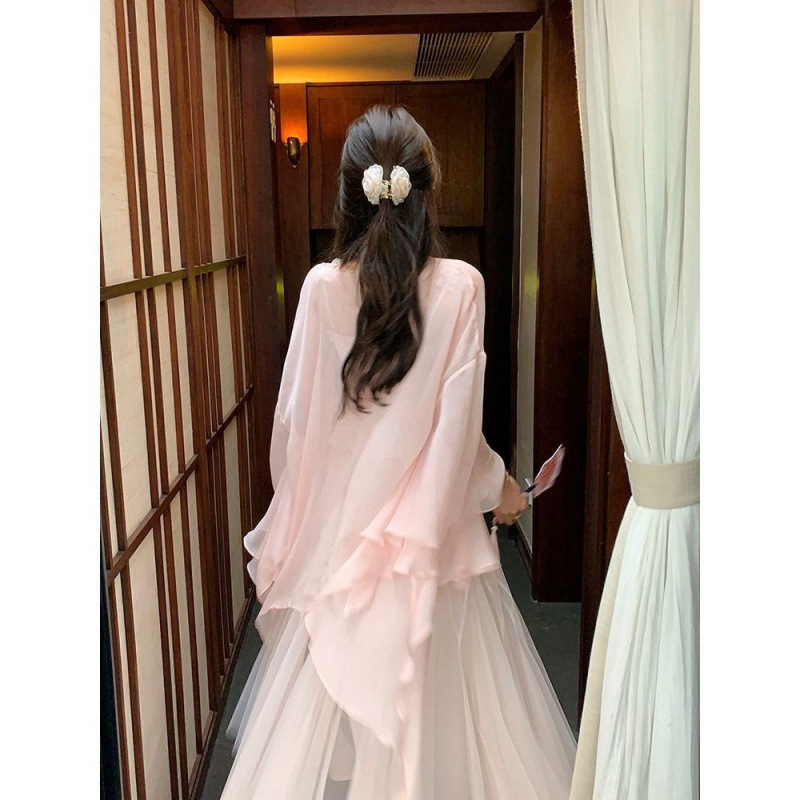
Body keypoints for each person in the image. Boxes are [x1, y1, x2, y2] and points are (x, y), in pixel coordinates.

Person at [220, 106, 576, 800]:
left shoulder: (321, 288)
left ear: (347, 194)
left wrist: (301, 529)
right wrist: (504, 490)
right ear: (427, 189)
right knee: (453, 740)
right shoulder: (462, 285)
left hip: (341, 555)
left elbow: (295, 429)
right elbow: (457, 438)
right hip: (431, 556)